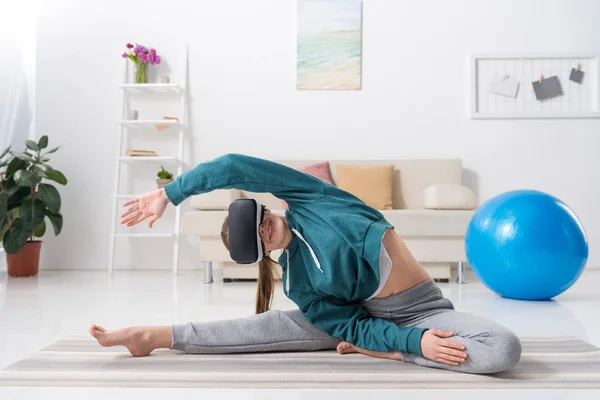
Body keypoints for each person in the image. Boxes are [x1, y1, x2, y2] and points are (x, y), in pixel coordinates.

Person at [90, 153, 521, 374]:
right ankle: (153, 335)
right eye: (253, 237)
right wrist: (416, 345)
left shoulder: (311, 196)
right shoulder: (300, 282)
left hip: (425, 309)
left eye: (256, 220)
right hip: (373, 319)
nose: (261, 229)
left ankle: (380, 352)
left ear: (265, 211)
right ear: (259, 254)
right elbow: (351, 325)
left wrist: (169, 193)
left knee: (503, 348)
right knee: (270, 327)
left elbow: (230, 167)